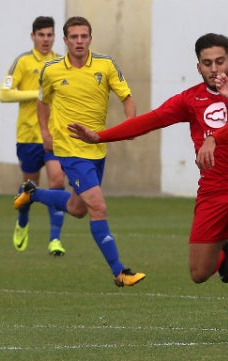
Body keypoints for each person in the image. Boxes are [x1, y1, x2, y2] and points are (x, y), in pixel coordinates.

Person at [68, 33, 228, 332]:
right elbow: (151, 120)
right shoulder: (190, 99)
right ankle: (223, 251)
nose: (215, 69)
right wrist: (100, 136)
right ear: (198, 67)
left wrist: (213, 137)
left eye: (220, 62)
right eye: (207, 63)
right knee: (198, 273)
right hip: (212, 193)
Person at [12, 16, 145, 287]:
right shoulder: (51, 70)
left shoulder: (106, 65)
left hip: (96, 149)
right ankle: (119, 271)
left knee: (77, 208)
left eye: (84, 36)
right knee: (98, 207)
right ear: (66, 40)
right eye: (74, 37)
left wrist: (130, 125)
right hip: (69, 150)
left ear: (90, 39)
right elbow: (42, 103)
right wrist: (46, 134)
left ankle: (32, 194)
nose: (79, 41)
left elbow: (126, 97)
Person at [0, 16, 66, 256]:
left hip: (54, 135)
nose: (46, 39)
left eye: (50, 35)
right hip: (28, 135)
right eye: (41, 35)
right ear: (33, 36)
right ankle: (23, 220)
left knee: (57, 181)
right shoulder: (23, 62)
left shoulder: (61, 62)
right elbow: (4, 94)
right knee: (30, 185)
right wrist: (35, 93)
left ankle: (55, 240)